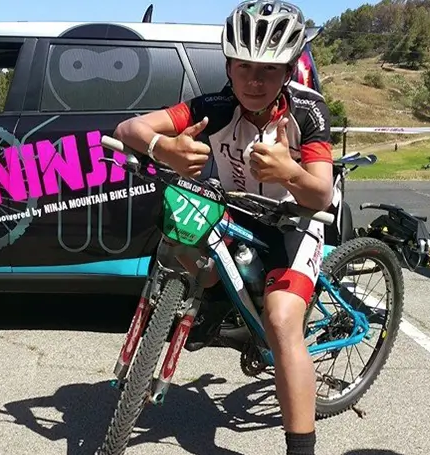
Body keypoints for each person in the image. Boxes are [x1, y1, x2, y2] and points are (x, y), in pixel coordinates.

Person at [113, 2, 332, 454]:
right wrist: (162, 147)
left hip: (295, 222)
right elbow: (129, 127)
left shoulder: (308, 111)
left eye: (269, 70)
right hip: (239, 213)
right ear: (229, 65)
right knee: (187, 245)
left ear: (288, 70)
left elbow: (321, 195)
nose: (254, 81)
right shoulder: (214, 106)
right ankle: (222, 311)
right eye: (244, 66)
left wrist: (290, 171)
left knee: (281, 321)